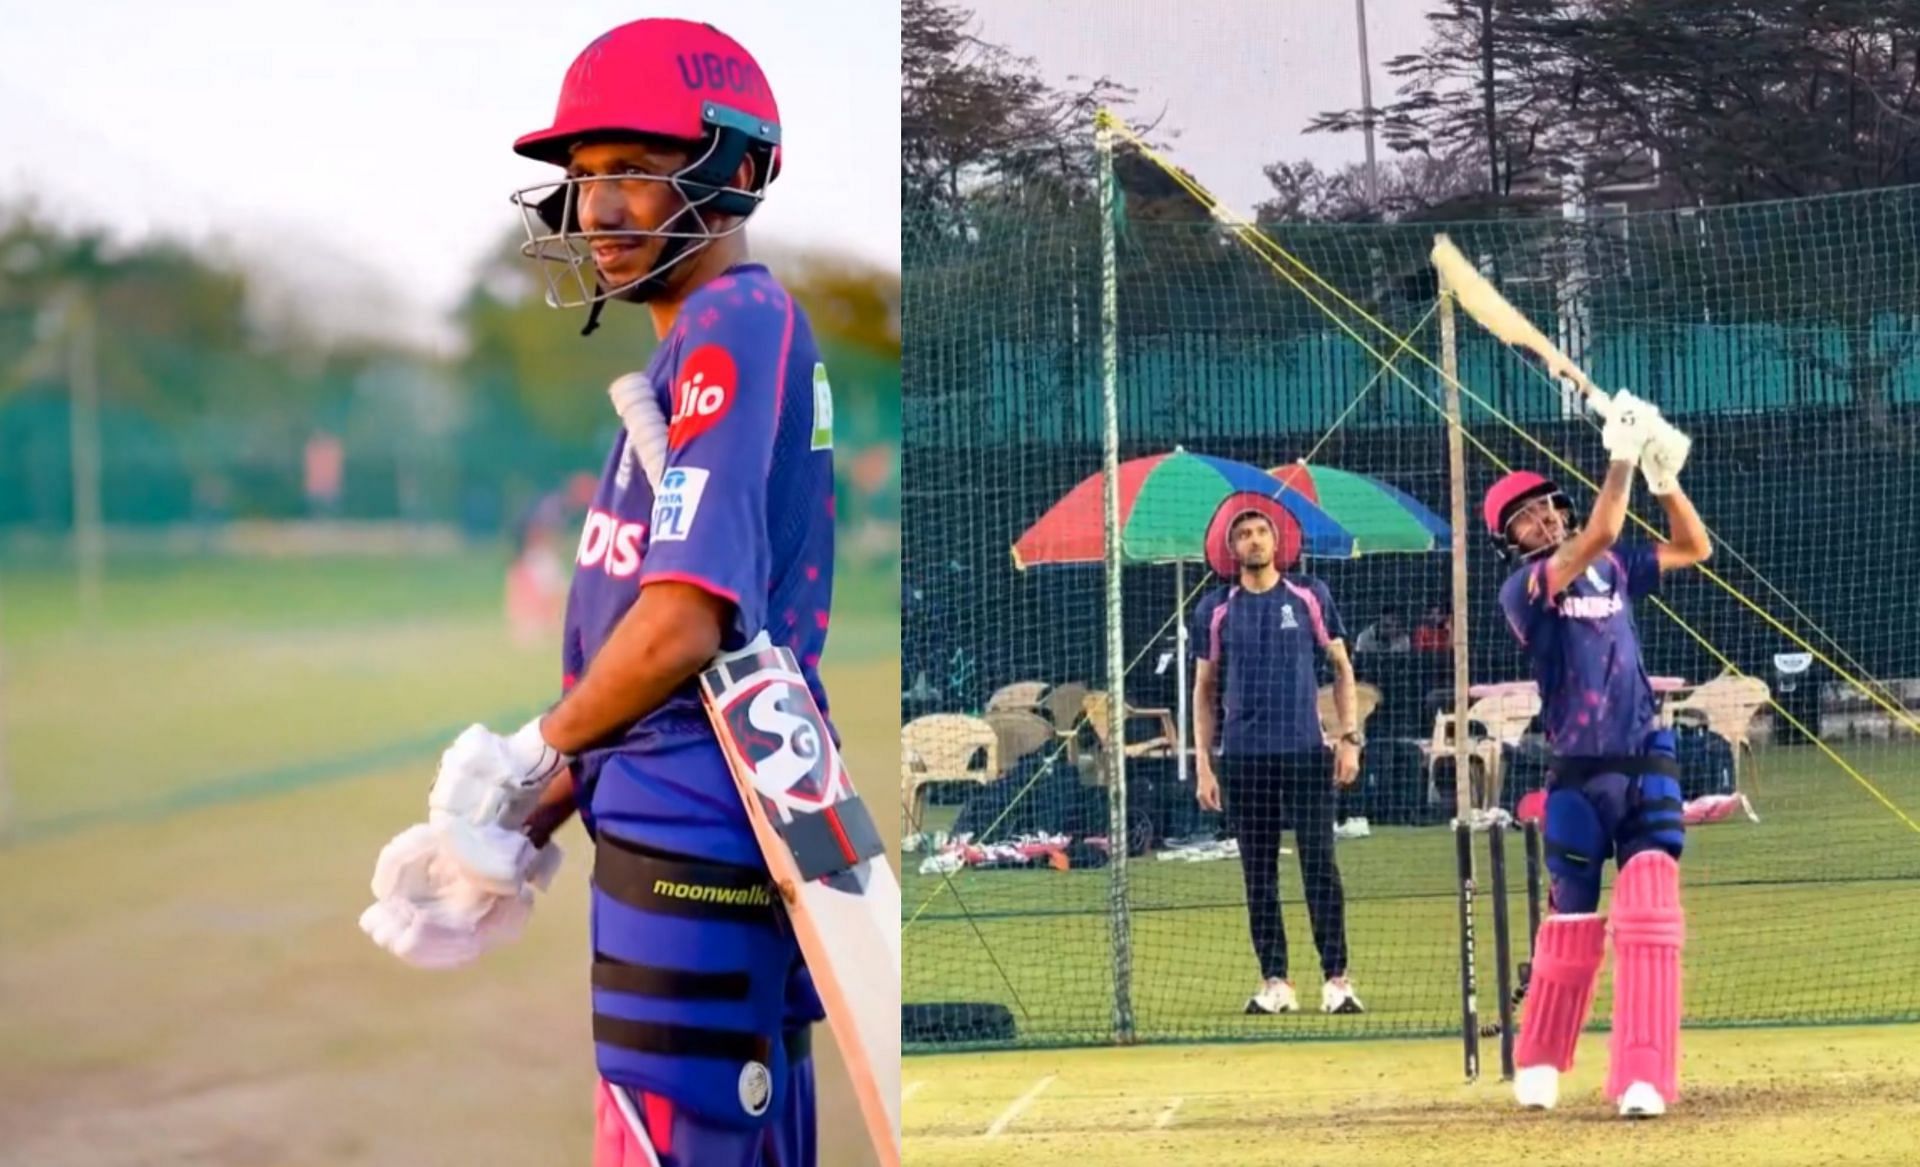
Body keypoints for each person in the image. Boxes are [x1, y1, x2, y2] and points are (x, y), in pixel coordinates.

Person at [360, 20, 834, 1167]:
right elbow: (679, 656)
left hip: (691, 836)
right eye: (580, 180)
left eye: (629, 169)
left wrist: (529, 748)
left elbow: (687, 621)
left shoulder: (733, 320)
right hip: (691, 821)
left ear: (736, 168)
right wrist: (527, 813)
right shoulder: (696, 349)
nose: (595, 210)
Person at [1485, 391, 1711, 1119]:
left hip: (1646, 756)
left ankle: (1644, 1076)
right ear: (1509, 538)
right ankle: (1542, 1060)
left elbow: (1693, 547)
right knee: (1573, 922)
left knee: (1650, 908)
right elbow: (1603, 525)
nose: (1546, 517)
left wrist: (1660, 474)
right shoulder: (1525, 589)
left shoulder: (1613, 572)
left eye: (1550, 505)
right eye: (1527, 516)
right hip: (1578, 777)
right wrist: (1620, 451)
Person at [1191, 491, 1366, 1016]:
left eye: (1261, 531)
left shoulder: (1310, 595)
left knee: (1320, 867)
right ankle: (1276, 982)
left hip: (1306, 755)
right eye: (1243, 534)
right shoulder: (1215, 609)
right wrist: (1204, 762)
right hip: (1245, 760)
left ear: (1276, 539)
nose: (1254, 539)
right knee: (1258, 874)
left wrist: (1349, 739)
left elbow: (1341, 668)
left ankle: (1336, 979)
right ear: (1231, 548)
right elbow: (1204, 689)